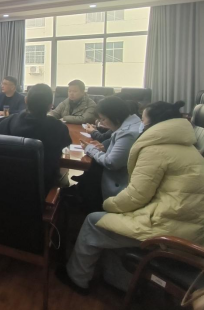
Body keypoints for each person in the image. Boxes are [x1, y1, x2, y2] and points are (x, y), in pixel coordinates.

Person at [58, 101, 204, 295]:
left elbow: (135, 196)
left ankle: (77, 278)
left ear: (154, 124)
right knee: (112, 222)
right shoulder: (187, 146)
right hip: (189, 227)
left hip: (169, 230)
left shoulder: (156, 149)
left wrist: (108, 205)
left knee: (94, 221)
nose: (140, 125)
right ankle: (120, 282)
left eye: (143, 120)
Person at [0, 84, 71, 193]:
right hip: (43, 186)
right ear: (50, 106)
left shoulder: (12, 121)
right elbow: (65, 145)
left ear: (26, 100)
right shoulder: (59, 127)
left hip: (10, 182)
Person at [75, 97, 142, 210]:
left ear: (115, 117)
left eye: (103, 119)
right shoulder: (131, 123)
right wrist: (106, 148)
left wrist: (90, 149)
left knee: (92, 166)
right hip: (123, 172)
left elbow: (112, 162)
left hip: (120, 182)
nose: (101, 123)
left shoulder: (127, 133)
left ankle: (88, 207)